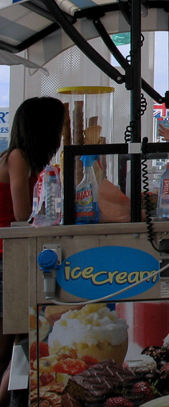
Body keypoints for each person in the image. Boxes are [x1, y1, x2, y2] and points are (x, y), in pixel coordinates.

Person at [0, 97, 65, 407]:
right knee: (12, 339)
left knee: (17, 339)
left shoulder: (24, 158)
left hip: (10, 256)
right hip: (5, 257)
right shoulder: (18, 158)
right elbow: (22, 213)